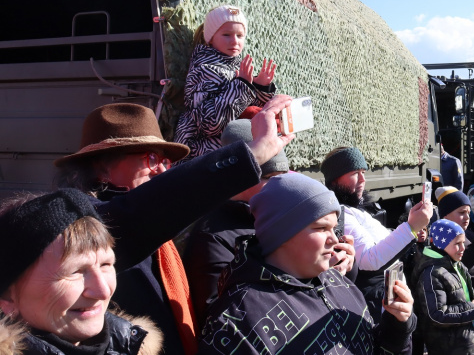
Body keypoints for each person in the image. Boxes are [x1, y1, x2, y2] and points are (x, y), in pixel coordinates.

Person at [53, 96, 294, 354]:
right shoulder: (89, 224)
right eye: (151, 159)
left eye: (166, 162)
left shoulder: (156, 224)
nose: (161, 171)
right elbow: (154, 204)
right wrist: (255, 152)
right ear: (101, 168)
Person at [198, 173, 416, 354]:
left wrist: (397, 325)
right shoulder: (236, 322)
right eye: (321, 228)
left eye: (334, 228)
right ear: (282, 233)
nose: (334, 239)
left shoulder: (339, 283)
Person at [182, 118, 351, 320]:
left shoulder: (284, 211)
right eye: (270, 177)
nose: (282, 184)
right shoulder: (212, 236)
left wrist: (345, 264)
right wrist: (318, 273)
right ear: (240, 177)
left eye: (284, 174)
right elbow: (219, 315)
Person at [0, 189, 162, 354]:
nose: (103, 291)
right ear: (7, 297)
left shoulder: (131, 345)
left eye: (106, 264)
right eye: (75, 272)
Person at [320, 146, 432, 321]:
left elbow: (381, 240)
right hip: (376, 308)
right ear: (334, 179)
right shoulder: (340, 214)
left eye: (363, 171)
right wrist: (411, 227)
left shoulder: (356, 210)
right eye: (355, 173)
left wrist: (410, 226)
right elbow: (369, 259)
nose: (362, 179)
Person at [174, 4, 277, 161]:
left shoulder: (236, 69)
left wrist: (260, 87)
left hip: (226, 159)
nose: (234, 41)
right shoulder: (204, 70)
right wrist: (242, 85)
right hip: (200, 160)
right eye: (227, 35)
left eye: (240, 35)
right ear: (210, 38)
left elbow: (242, 110)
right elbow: (210, 124)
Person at [436, 186, 474, 355]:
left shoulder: (468, 234)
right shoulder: (447, 241)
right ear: (446, 215)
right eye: (461, 212)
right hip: (466, 314)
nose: (467, 217)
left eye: (469, 212)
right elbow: (461, 264)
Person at [412, 219, 474, 355]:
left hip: (466, 345)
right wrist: (473, 311)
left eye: (463, 243)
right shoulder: (432, 274)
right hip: (448, 349)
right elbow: (437, 315)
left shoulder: (457, 265)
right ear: (441, 244)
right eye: (457, 244)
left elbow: (465, 298)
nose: (463, 248)